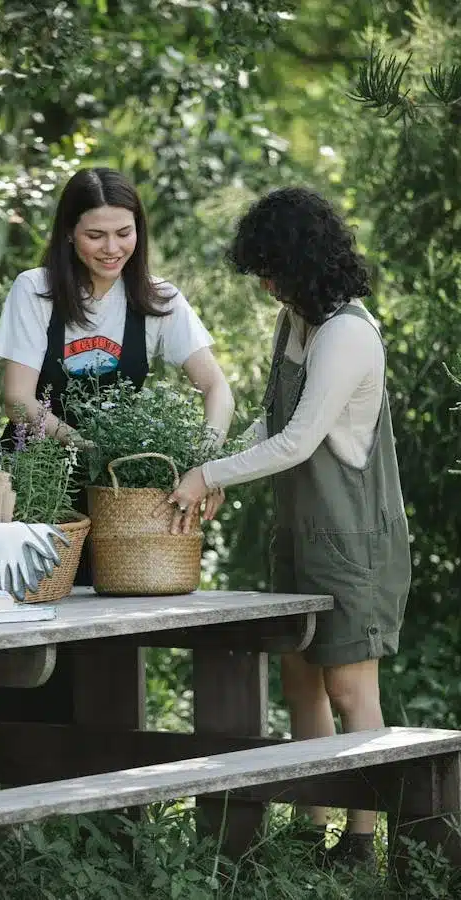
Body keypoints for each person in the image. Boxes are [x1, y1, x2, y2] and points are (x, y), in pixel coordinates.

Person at [167, 186, 411, 869]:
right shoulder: (297, 323)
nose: (267, 284)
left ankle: (363, 841)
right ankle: (314, 827)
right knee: (301, 682)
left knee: (350, 689)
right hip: (302, 534)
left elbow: (300, 441)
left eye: (273, 269)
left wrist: (209, 479)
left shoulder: (347, 333)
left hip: (353, 541)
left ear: (304, 261)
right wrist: (213, 464)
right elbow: (272, 422)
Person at [0, 166, 234, 578]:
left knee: (118, 608)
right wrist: (86, 446)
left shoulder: (158, 299)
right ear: (69, 233)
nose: (112, 248)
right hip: (37, 478)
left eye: (124, 232)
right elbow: (18, 398)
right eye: (95, 235)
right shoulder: (35, 290)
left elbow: (216, 387)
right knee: (34, 603)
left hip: (119, 489)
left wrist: (204, 464)